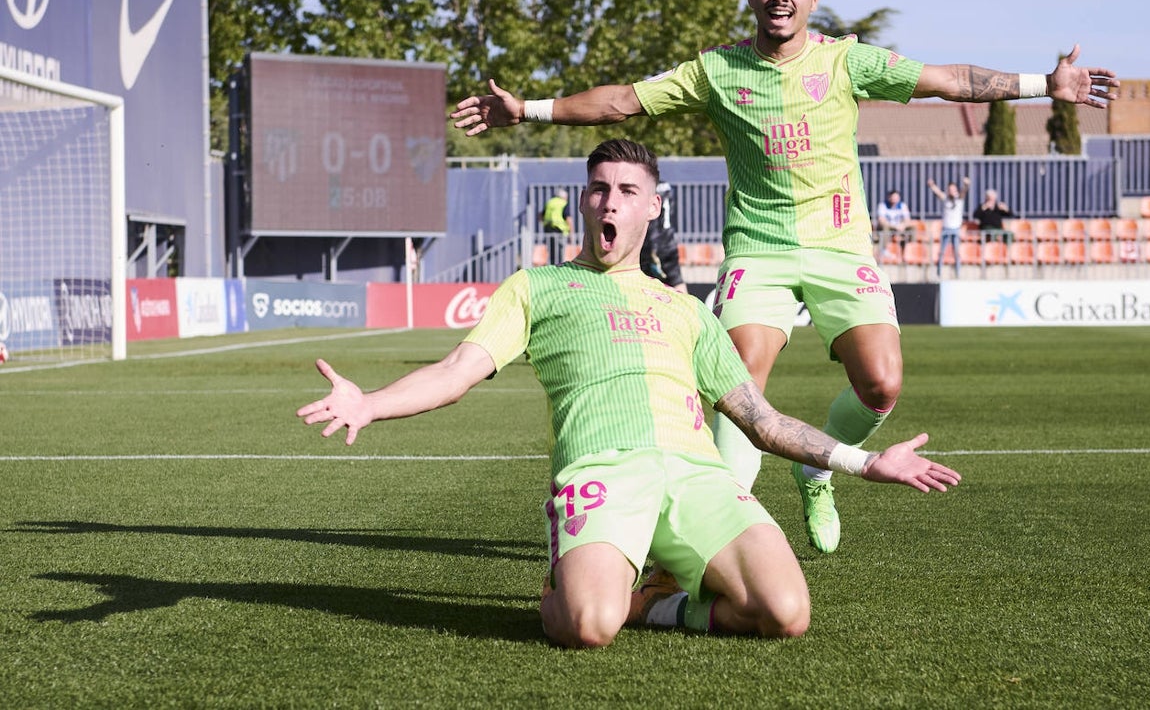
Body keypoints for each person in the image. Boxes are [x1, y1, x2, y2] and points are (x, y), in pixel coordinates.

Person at [449, 0, 1117, 554]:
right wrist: (529, 109)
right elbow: (624, 101)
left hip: (841, 248)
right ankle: (727, 523)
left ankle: (813, 476)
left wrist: (1044, 86)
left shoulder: (846, 59)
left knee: (881, 386)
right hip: (758, 252)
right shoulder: (718, 70)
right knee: (741, 383)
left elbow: (946, 81)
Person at [297, 139, 961, 649]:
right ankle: (573, 578)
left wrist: (866, 462)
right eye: (598, 189)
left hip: (698, 476)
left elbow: (760, 420)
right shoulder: (538, 287)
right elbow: (455, 372)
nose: (609, 201)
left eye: (626, 190)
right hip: (604, 471)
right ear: (586, 202)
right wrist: (370, 403)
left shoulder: (689, 312)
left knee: (786, 614)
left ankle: (657, 604)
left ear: (654, 205)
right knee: (588, 625)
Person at [639, 181, 687, 292]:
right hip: (669, 241)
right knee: (677, 281)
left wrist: (652, 248)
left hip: (655, 245)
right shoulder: (666, 186)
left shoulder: (647, 188)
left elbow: (652, 226)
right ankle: (689, 307)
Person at [928, 176, 971, 278]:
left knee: (956, 252)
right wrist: (932, 185)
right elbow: (938, 192)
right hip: (946, 228)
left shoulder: (959, 199)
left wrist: (966, 184)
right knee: (942, 251)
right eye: (950, 189)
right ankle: (939, 272)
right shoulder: (945, 198)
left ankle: (958, 272)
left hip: (956, 228)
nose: (951, 191)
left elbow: (964, 191)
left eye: (953, 189)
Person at [875, 189, 915, 255]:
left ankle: (911, 246)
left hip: (900, 227)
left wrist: (903, 225)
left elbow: (907, 219)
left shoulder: (903, 206)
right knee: (885, 228)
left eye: (896, 197)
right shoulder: (883, 205)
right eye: (893, 197)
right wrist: (895, 226)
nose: (894, 199)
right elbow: (882, 220)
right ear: (889, 198)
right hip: (889, 227)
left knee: (913, 228)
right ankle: (884, 249)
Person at [541, 188, 572, 263]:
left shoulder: (549, 202)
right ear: (564, 197)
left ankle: (552, 267)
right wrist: (571, 233)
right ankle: (559, 268)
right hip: (560, 231)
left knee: (551, 252)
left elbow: (541, 216)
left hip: (548, 230)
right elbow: (568, 219)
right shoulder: (563, 203)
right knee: (560, 253)